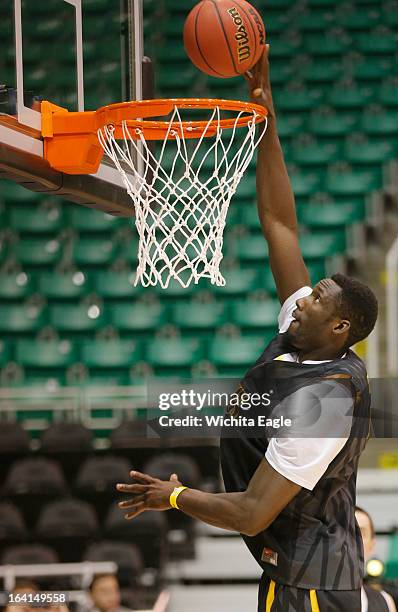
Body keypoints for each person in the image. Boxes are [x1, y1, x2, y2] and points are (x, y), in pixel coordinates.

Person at [116, 46, 378, 612]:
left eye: (319, 298)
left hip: (311, 585)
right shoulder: (302, 333)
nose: (304, 297)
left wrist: (176, 496)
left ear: (339, 326)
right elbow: (280, 225)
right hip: (294, 571)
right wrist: (267, 123)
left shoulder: (325, 402)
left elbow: (254, 510)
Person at [355, 506, 398, 612]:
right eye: (346, 531)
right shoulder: (311, 598)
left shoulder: (386, 601)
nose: (353, 539)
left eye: (361, 533)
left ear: (372, 545)